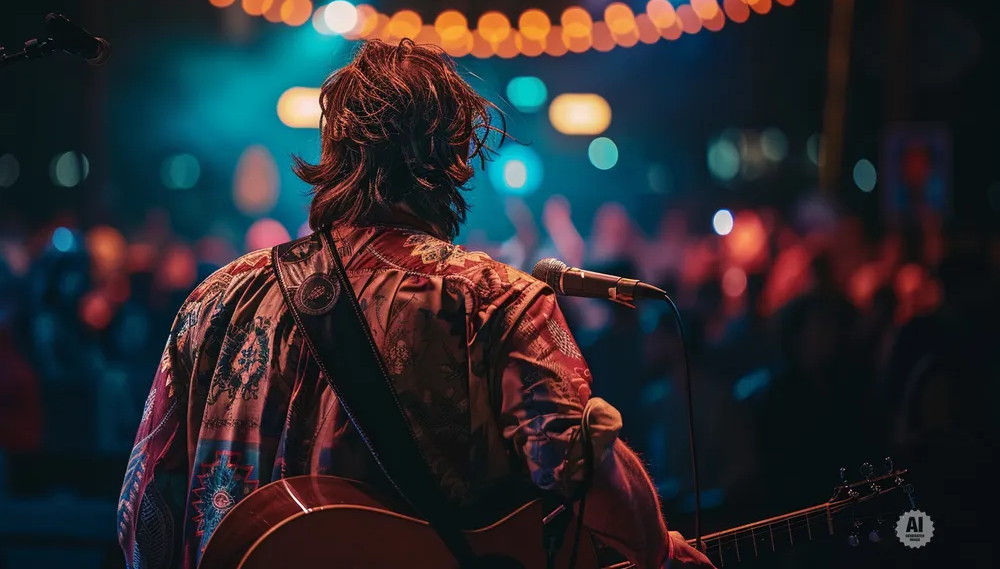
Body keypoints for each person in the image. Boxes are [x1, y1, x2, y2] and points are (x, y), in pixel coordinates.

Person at [116, 39, 713, 569]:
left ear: (332, 152)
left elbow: (143, 513)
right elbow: (579, 468)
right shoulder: (494, 300)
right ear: (453, 156)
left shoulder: (214, 298)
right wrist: (657, 551)